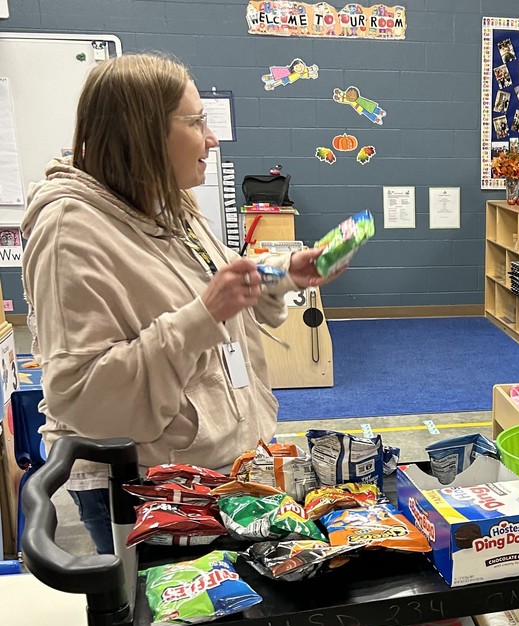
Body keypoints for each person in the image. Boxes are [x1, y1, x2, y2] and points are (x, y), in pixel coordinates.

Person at [21, 53, 341, 554]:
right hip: (148, 490)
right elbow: (80, 395)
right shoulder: (70, 231)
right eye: (196, 122)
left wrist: (282, 276)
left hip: (214, 467)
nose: (211, 139)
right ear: (143, 131)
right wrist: (203, 317)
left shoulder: (167, 203)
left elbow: (210, 286)